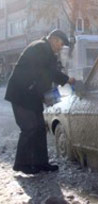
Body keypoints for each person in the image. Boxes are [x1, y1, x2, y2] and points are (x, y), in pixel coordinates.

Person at [5, 29, 75, 174]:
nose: (60, 48)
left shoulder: (45, 50)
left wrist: (47, 96)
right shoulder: (41, 47)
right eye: (60, 44)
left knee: (40, 128)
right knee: (29, 128)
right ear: (54, 40)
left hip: (31, 95)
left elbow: (42, 76)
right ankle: (21, 164)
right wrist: (67, 79)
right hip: (21, 94)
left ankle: (41, 163)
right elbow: (48, 72)